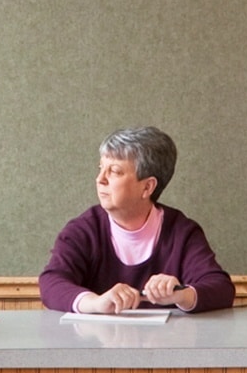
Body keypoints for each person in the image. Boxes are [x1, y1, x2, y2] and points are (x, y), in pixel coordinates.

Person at [38, 126, 235, 314]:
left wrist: (181, 294)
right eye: (100, 168)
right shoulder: (82, 230)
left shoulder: (181, 232)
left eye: (114, 171)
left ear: (148, 187)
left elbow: (221, 288)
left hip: (166, 346)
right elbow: (51, 282)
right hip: (98, 346)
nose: (100, 179)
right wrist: (96, 303)